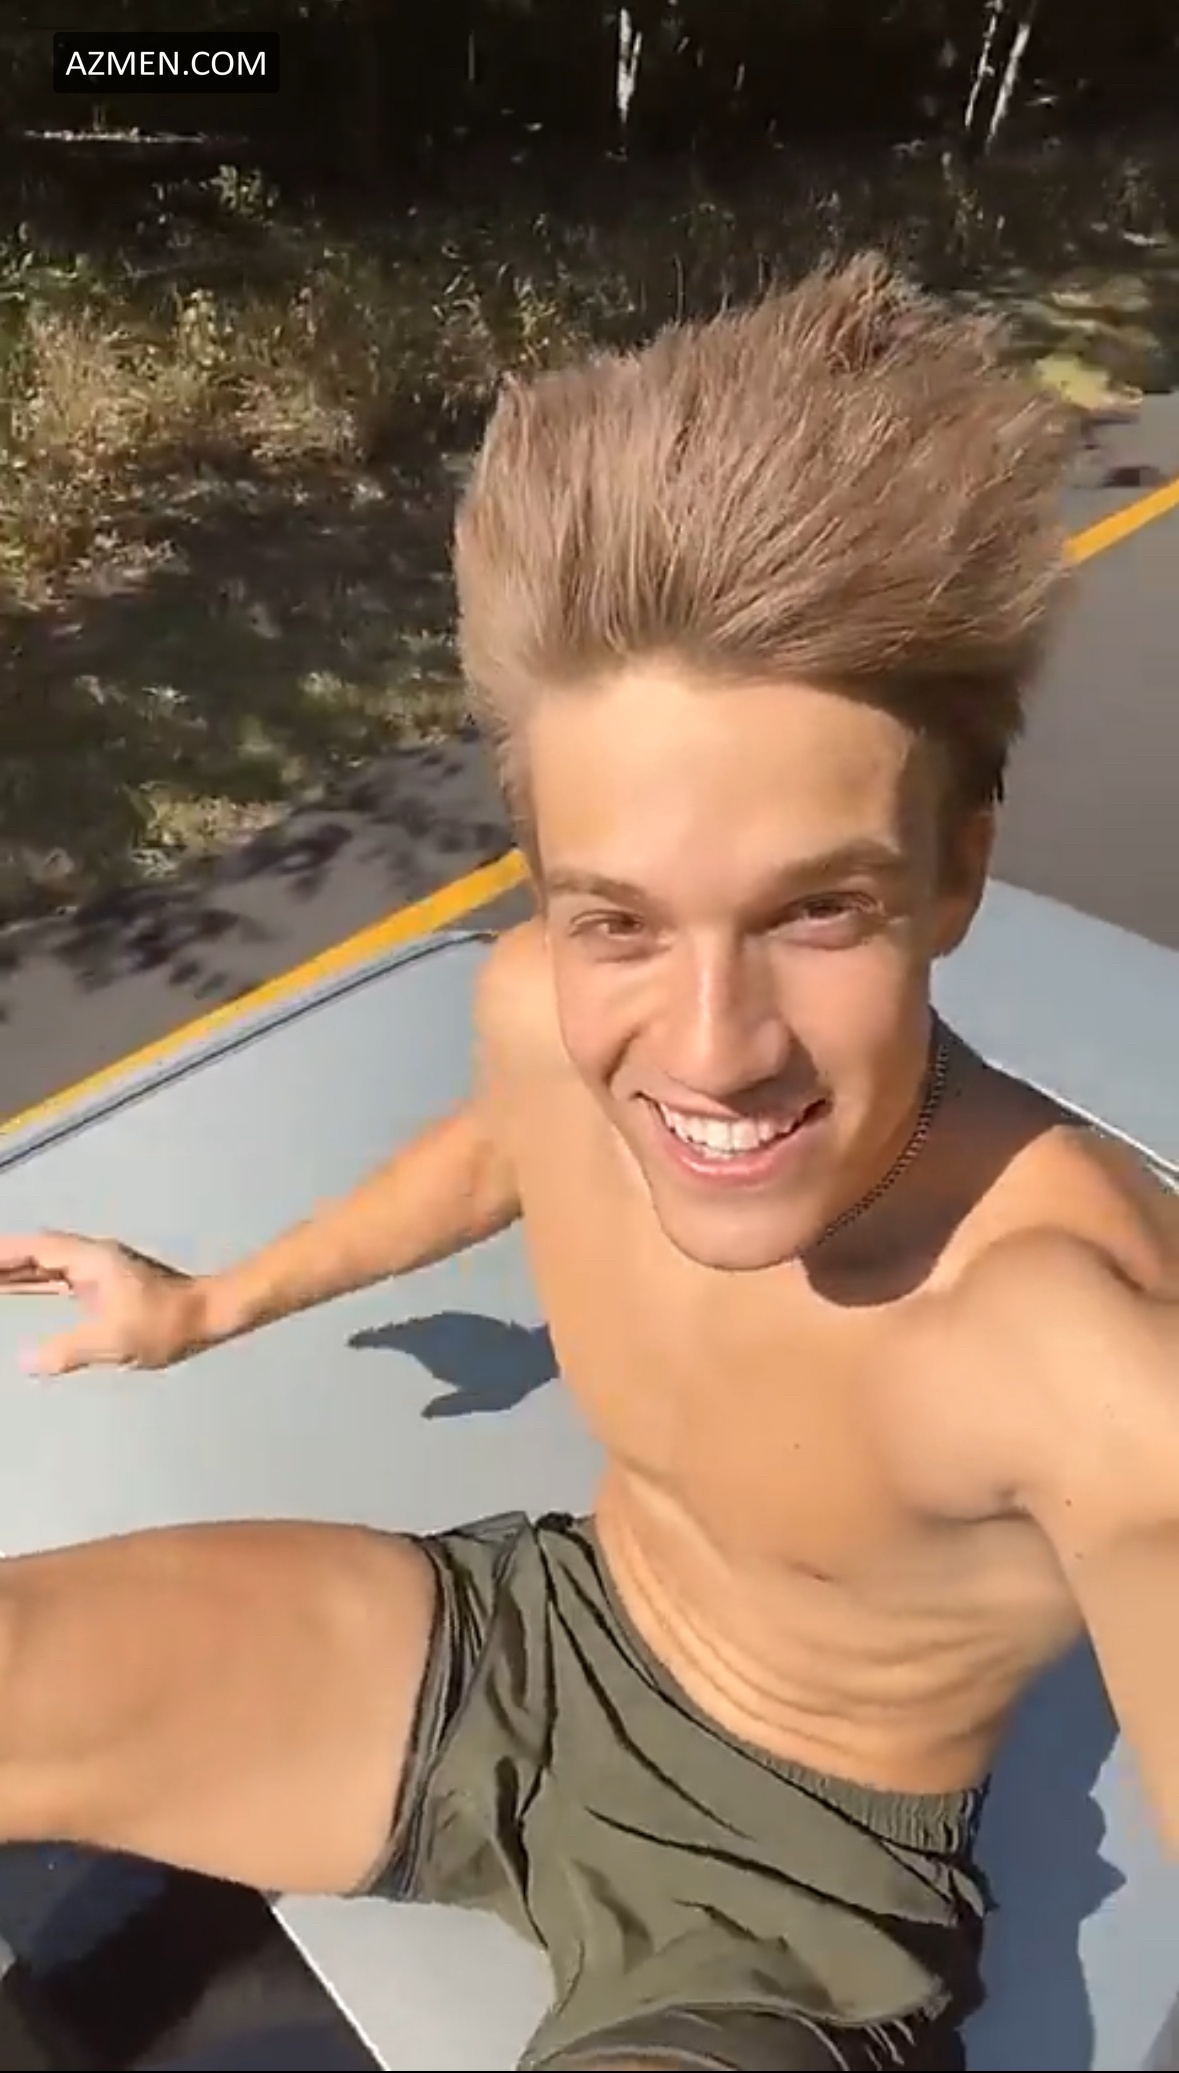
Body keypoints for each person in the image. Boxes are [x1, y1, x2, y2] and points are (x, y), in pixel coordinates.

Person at [0, 254, 1176, 2073]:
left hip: (799, 1894)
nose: (706, 1050)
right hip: (528, 1640)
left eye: (815, 910)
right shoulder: (543, 1018)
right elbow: (510, 1139)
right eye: (616, 918)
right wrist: (212, 1302)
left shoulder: (1088, 1346)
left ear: (955, 873)